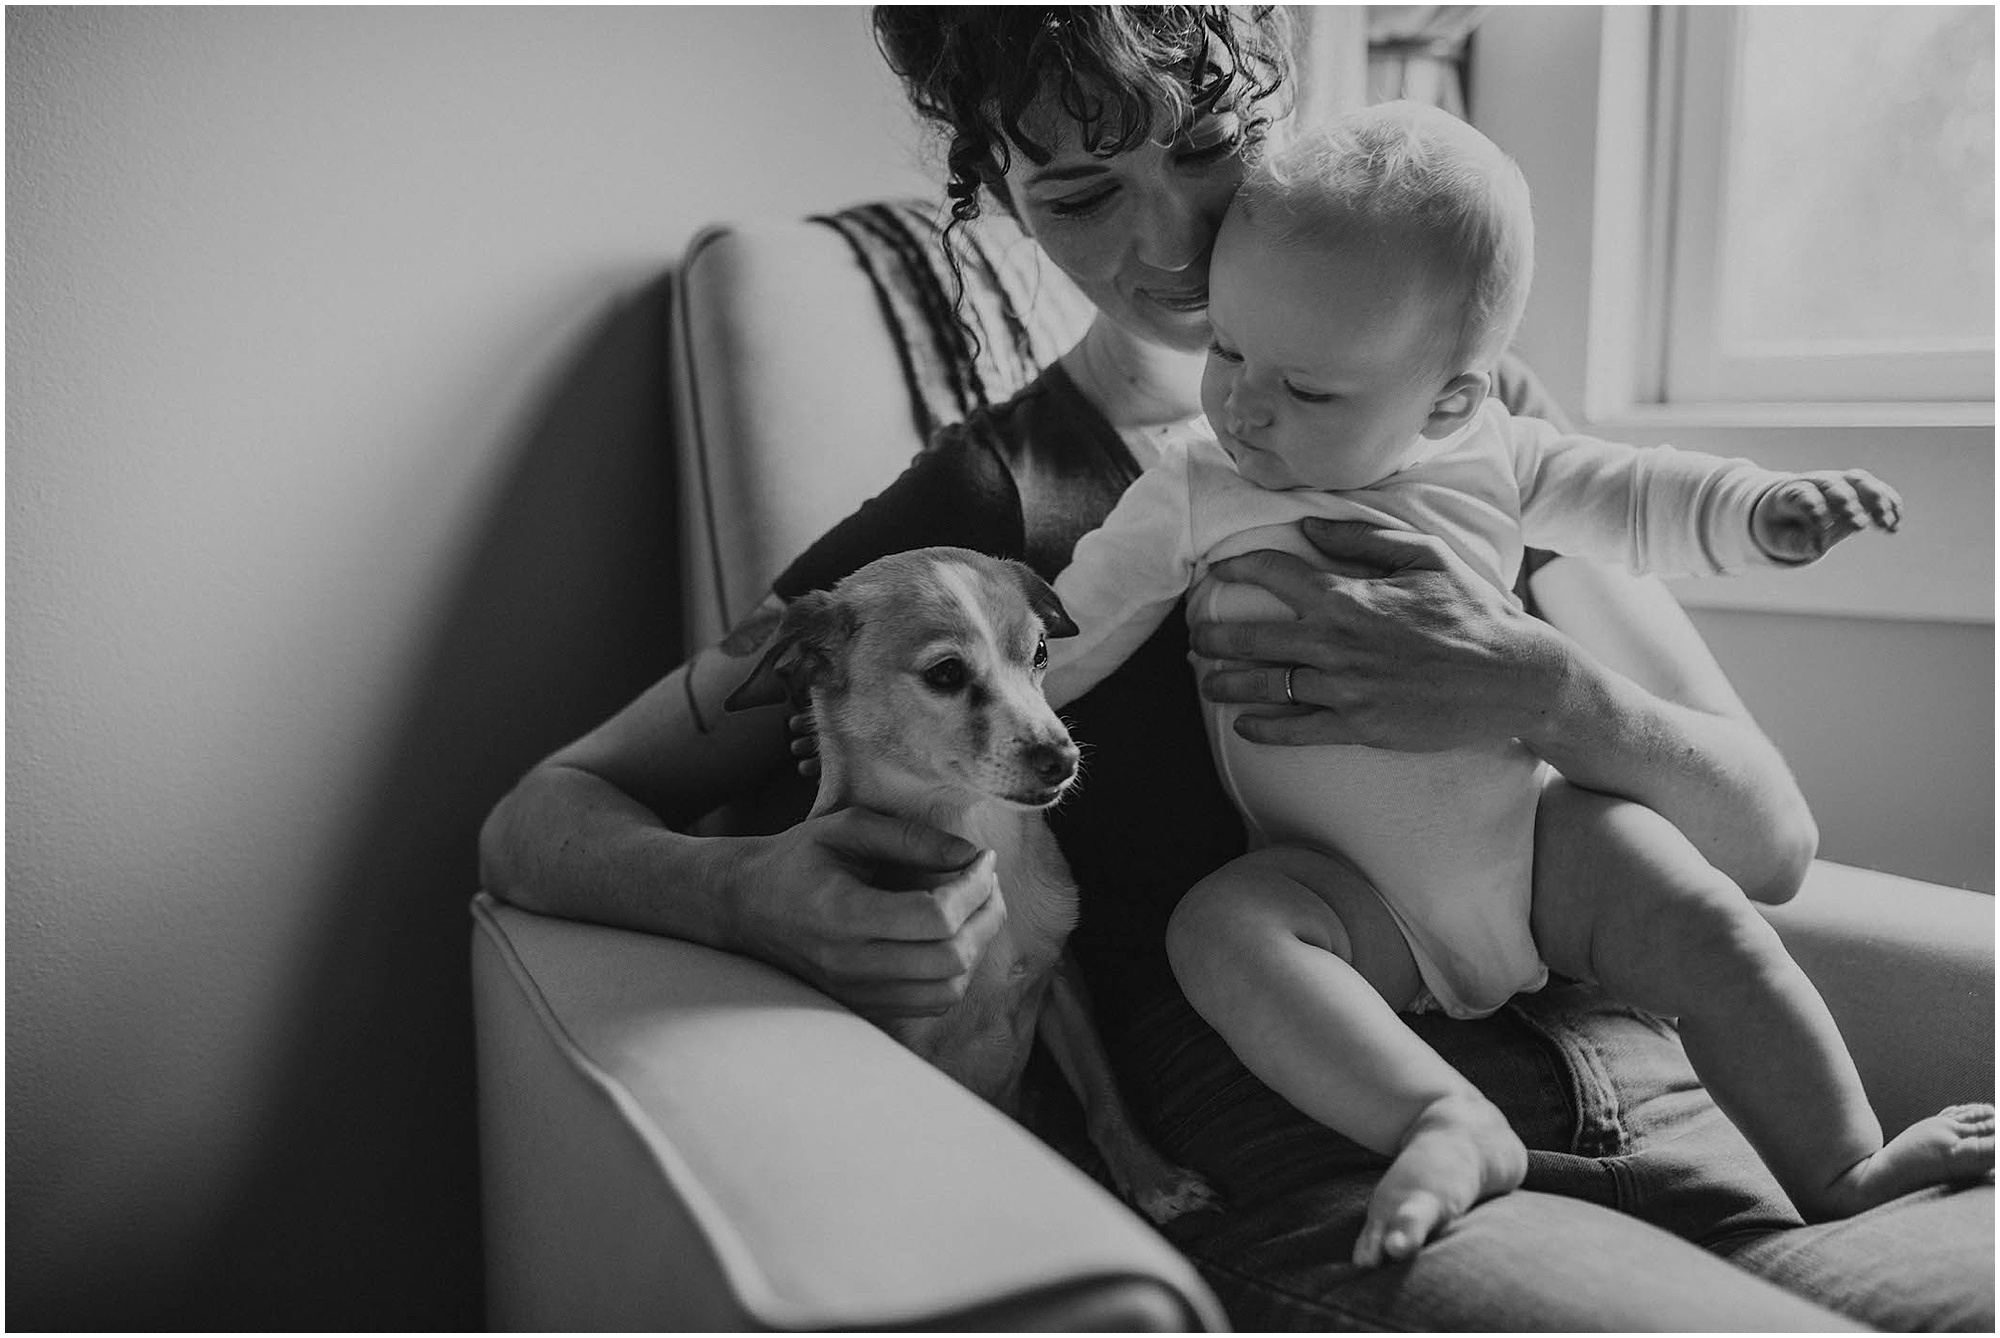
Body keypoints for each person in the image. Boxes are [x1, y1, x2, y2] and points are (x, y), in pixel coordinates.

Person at [479, 7, 1993, 1328]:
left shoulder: (1462, 410)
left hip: (1672, 1087)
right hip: (1314, 1147)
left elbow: (1768, 843)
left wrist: (1538, 689)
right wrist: (748, 895)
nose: (1173, 240)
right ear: (996, 193)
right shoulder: (976, 528)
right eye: (1079, 189)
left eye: (1208, 145)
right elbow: (546, 813)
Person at [1042, 98, 1988, 1269]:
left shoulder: (1496, 452)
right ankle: (1439, 1117)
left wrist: (1762, 513)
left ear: (1448, 398)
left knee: (1703, 922)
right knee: (1223, 929)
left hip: (1538, 852)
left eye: (1308, 390)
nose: (1241, 403)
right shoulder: (1196, 481)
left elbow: (1641, 496)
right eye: (1229, 353)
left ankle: (1842, 1164)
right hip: (1346, 897)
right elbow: (1063, 628)